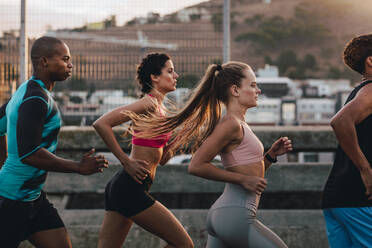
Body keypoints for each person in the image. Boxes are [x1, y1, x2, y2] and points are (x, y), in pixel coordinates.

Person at [131, 61, 293, 247]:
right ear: (235, 90)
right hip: (235, 216)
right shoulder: (230, 124)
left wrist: (271, 156)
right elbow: (196, 165)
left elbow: (250, 175)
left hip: (225, 215)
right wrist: (242, 180)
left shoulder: (239, 124)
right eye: (253, 85)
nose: (258, 91)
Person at [0, 36, 108, 248]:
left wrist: (3, 164)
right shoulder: (35, 99)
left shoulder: (25, 92)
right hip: (10, 202)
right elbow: (29, 153)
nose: (70, 65)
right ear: (43, 62)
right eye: (65, 59)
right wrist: (77, 166)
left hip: (33, 199)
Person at [93, 53, 194, 248]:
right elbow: (101, 123)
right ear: (154, 77)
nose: (176, 76)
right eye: (170, 71)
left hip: (127, 187)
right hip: (129, 187)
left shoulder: (161, 110)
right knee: (184, 245)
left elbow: (163, 159)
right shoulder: (149, 103)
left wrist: (181, 138)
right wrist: (125, 161)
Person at [322, 34, 372, 248]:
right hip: (360, 198)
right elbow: (340, 121)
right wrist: (365, 169)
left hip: (339, 199)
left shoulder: (360, 91)